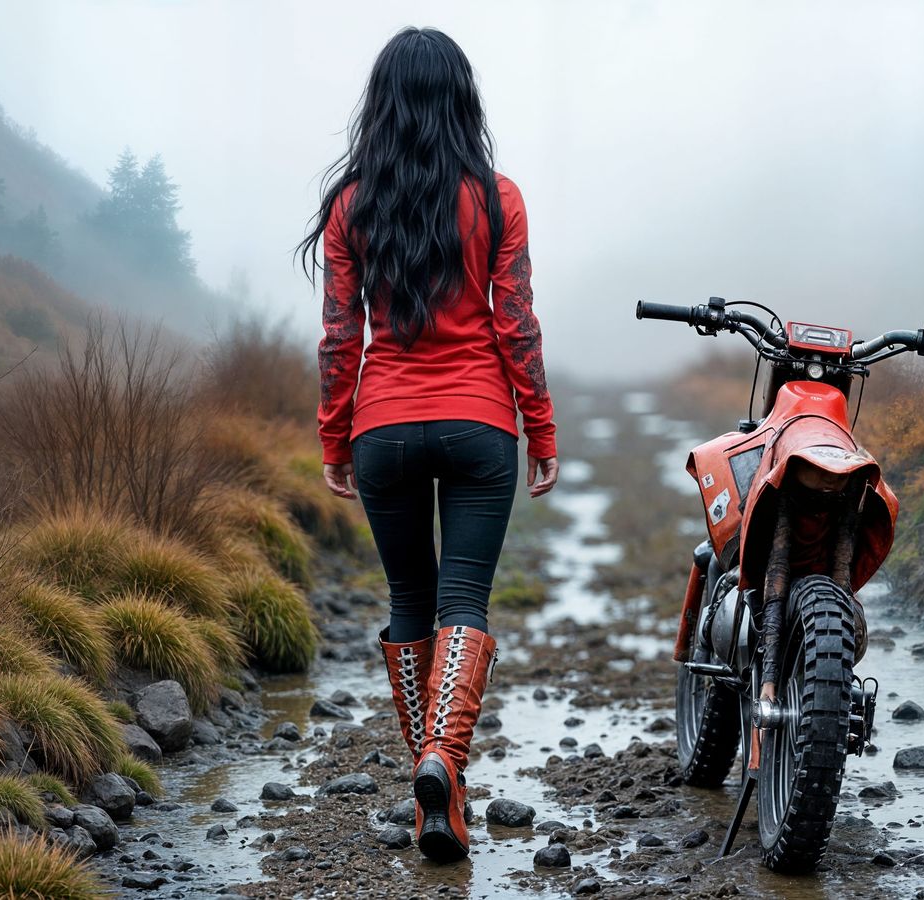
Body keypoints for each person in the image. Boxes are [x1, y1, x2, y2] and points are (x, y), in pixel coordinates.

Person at [298, 26, 557, 864]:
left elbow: (341, 335)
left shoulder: (351, 206)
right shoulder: (499, 198)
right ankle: (444, 761)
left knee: (410, 599)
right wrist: (540, 425)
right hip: (480, 425)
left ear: (381, 105)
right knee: (463, 600)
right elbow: (515, 324)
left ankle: (433, 792)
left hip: (383, 426)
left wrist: (334, 436)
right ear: (461, 101)